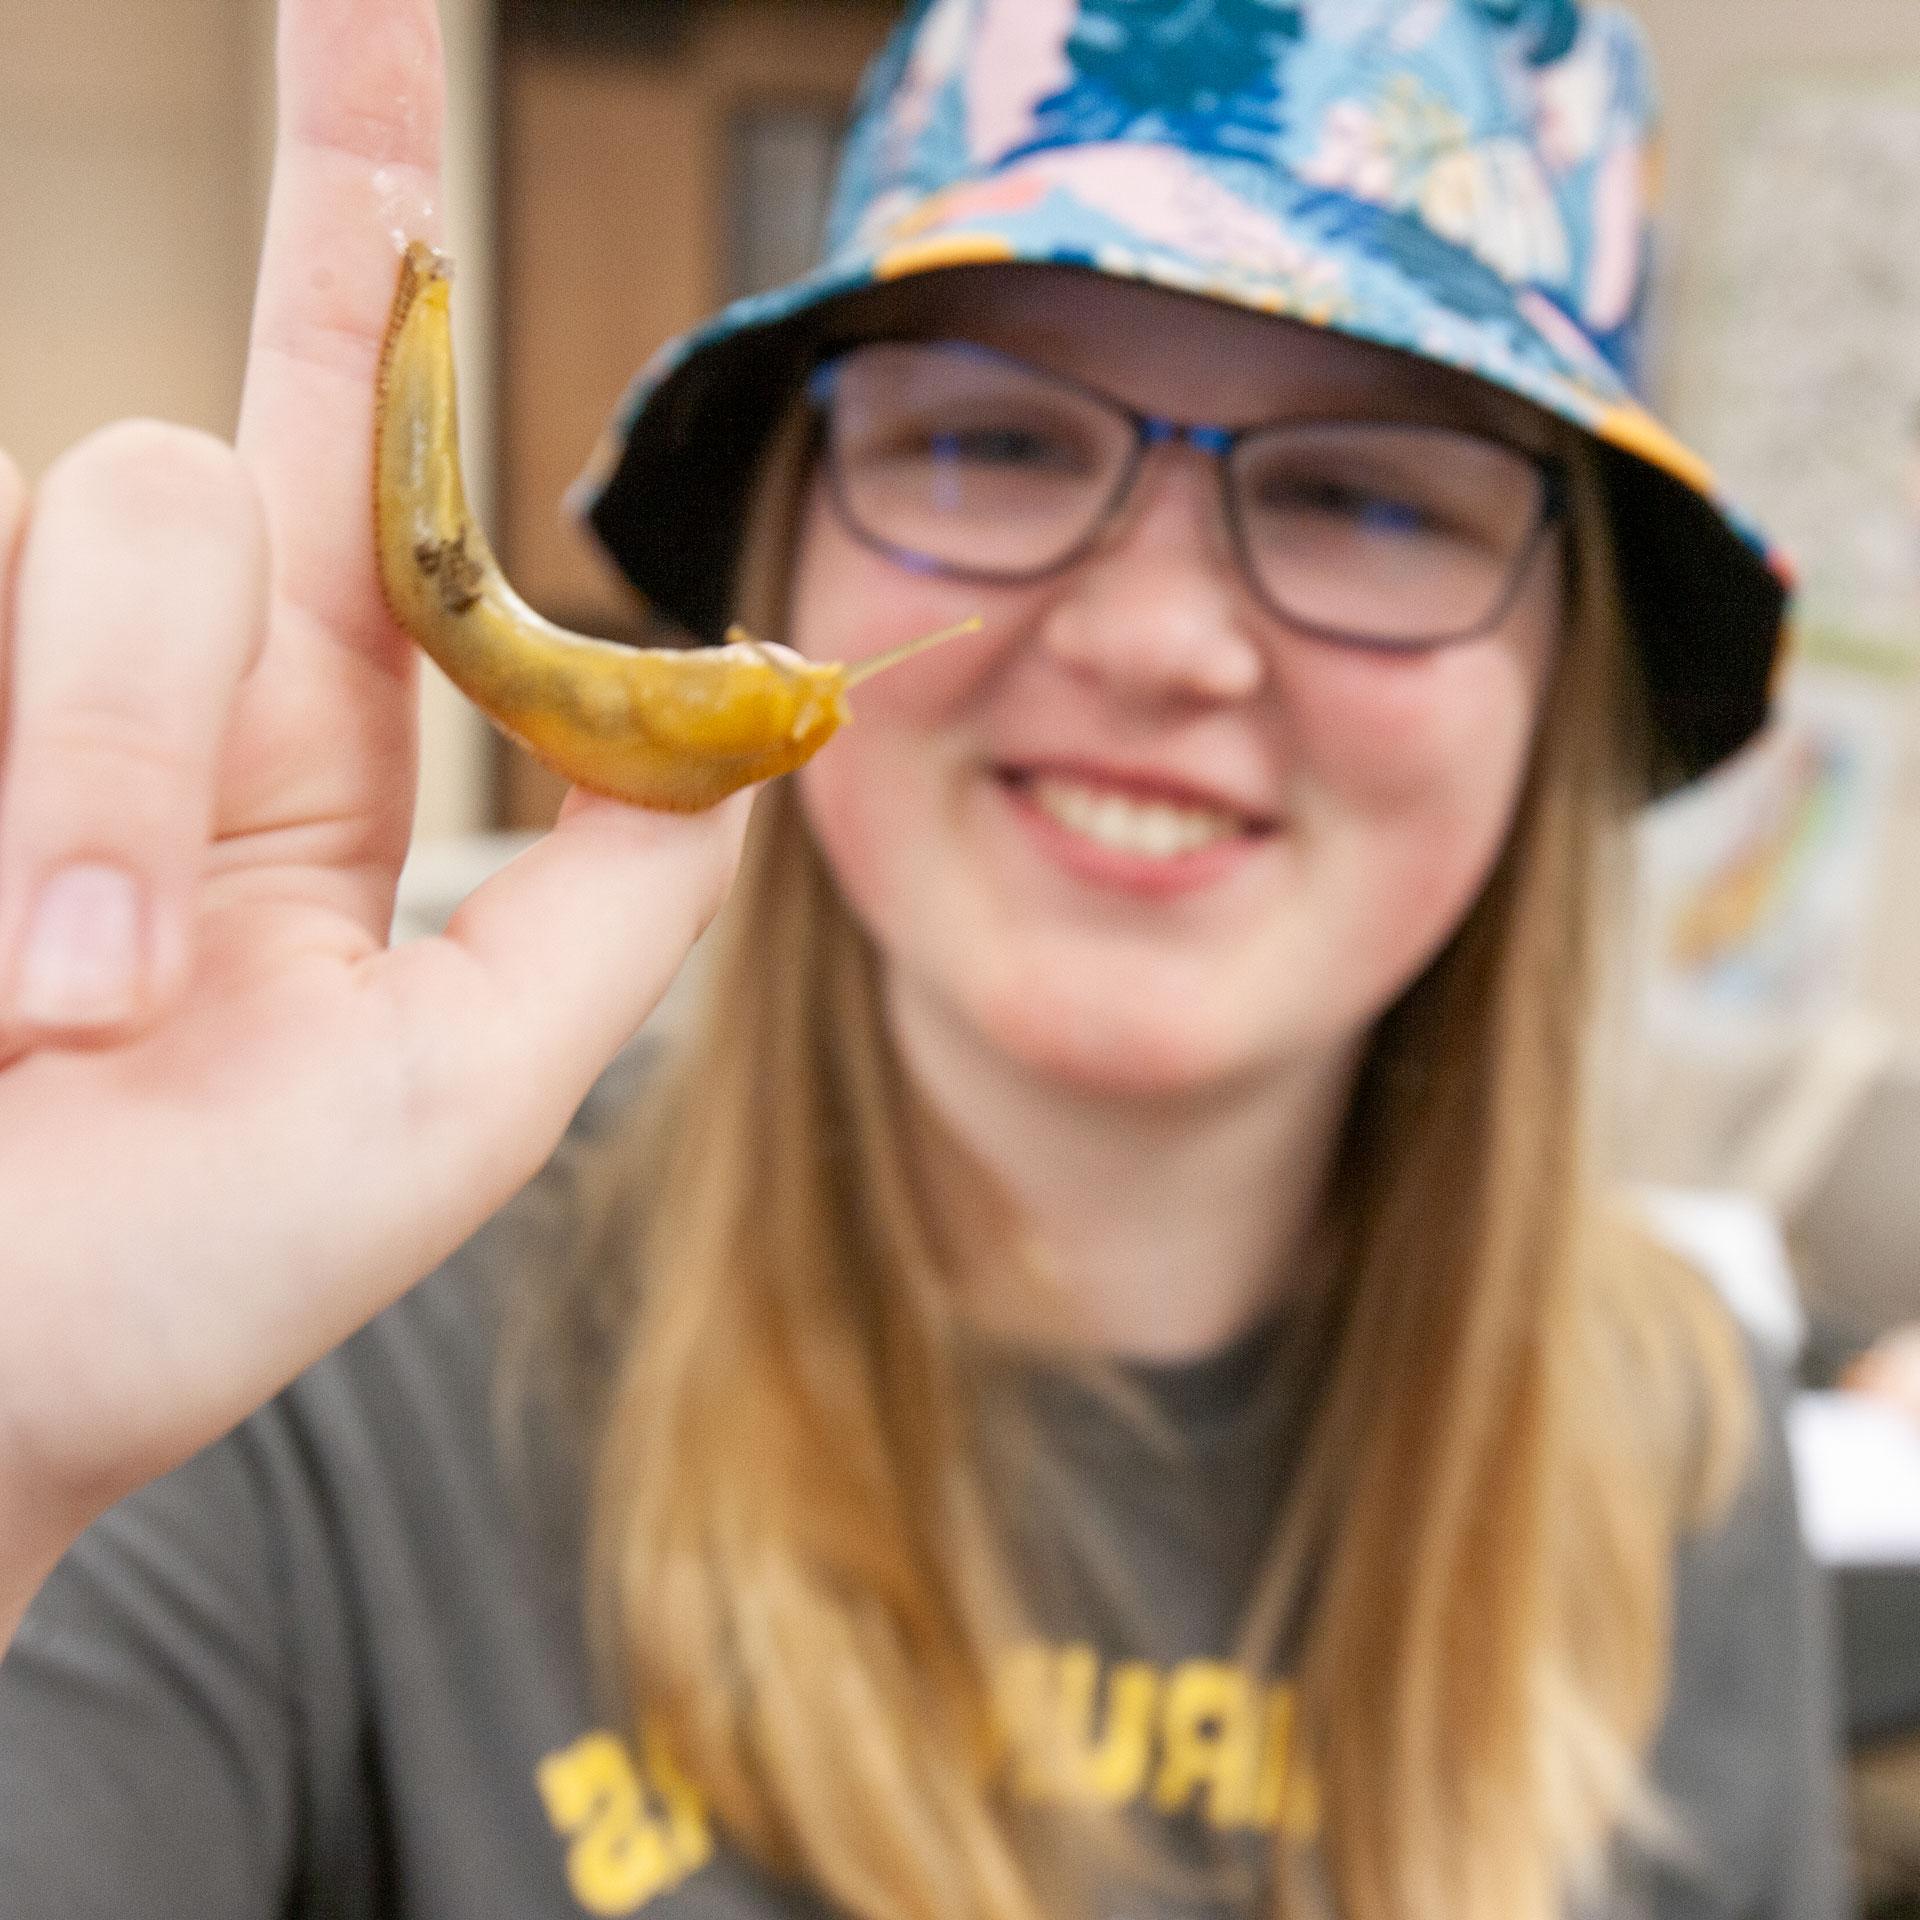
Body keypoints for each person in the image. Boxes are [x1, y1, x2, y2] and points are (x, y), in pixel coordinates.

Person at [0, 0, 1852, 1916]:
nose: (1157, 640)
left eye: (1366, 495)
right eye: (992, 438)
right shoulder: (315, 1341)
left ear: (1562, 675)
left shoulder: (1678, 1442)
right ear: (785, 551)